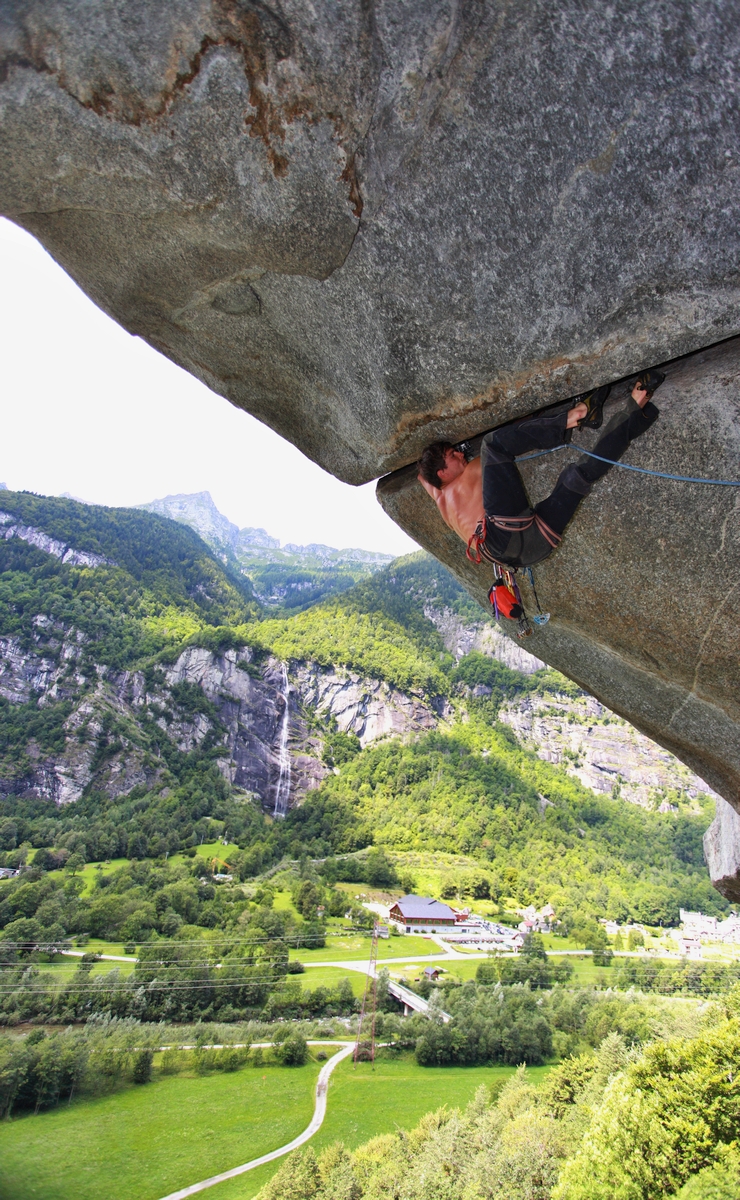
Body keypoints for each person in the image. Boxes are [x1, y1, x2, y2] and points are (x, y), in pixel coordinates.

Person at [417, 371, 664, 570]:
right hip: (501, 535)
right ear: (441, 473)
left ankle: (637, 403)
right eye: (453, 455)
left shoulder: (441, 501)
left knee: (579, 476)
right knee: (492, 445)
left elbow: (422, 477)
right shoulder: (470, 471)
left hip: (531, 551)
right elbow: (510, 438)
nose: (461, 454)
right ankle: (578, 414)